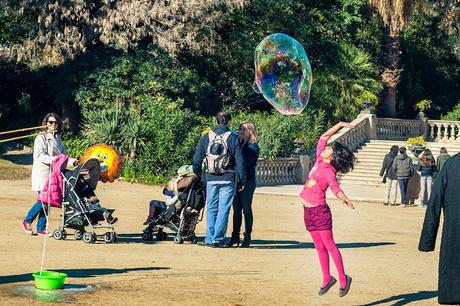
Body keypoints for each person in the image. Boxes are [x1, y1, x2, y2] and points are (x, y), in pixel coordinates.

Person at [299, 122, 356, 297]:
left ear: (331, 156)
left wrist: (344, 198)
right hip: (308, 211)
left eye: (329, 148)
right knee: (319, 247)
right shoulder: (319, 159)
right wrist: (339, 125)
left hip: (319, 211)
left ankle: (343, 278)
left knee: (330, 246)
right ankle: (327, 278)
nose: (325, 148)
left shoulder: (329, 171)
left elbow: (335, 187)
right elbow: (323, 137)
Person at [192, 112, 246, 248]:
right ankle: (218, 238)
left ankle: (209, 238)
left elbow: (196, 160)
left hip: (210, 178)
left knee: (211, 208)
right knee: (224, 209)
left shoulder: (207, 137)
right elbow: (240, 161)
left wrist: (200, 175)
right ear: (229, 122)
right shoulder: (233, 138)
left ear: (216, 121)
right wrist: (241, 180)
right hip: (228, 178)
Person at [22, 113, 76, 236]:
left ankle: (41, 228)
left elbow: (63, 156)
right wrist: (53, 159)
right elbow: (40, 155)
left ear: (58, 124)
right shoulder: (41, 138)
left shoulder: (58, 138)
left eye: (55, 122)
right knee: (44, 200)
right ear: (46, 123)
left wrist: (73, 161)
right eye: (50, 122)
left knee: (48, 200)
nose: (53, 124)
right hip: (42, 173)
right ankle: (27, 221)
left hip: (54, 174)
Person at [419, 155, 460, 305]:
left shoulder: (450, 164)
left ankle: (452, 294)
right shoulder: (450, 164)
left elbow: (435, 199)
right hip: (454, 224)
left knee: (452, 261)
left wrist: (427, 241)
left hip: (454, 227)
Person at [227, 121, 260, 248]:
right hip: (237, 180)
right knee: (236, 210)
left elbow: (245, 164)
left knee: (246, 209)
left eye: (244, 129)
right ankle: (235, 236)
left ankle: (247, 236)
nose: (241, 131)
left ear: (251, 131)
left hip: (248, 181)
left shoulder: (253, 147)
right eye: (240, 129)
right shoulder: (239, 144)